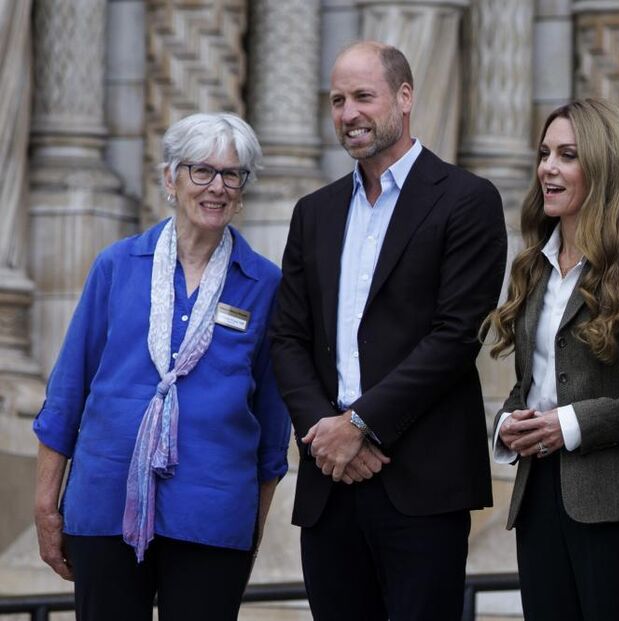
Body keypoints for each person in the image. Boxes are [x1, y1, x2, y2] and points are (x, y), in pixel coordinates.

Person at [270, 41, 507, 620]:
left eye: (362, 97)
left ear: (404, 98)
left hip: (421, 483)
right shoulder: (315, 211)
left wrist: (361, 424)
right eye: (337, 100)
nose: (348, 113)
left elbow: (456, 338)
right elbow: (287, 338)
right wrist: (326, 434)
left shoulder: (467, 200)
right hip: (330, 482)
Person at [32, 112, 290, 620]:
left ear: (243, 189)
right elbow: (67, 392)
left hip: (212, 516)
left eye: (232, 174)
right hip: (104, 507)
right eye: (202, 171)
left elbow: (272, 423)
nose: (217, 187)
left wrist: (252, 527)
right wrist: (46, 504)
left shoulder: (264, 284)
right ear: (170, 178)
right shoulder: (116, 266)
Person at [484, 98, 619, 620]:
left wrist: (569, 425)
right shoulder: (533, 266)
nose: (548, 167)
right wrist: (507, 425)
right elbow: (532, 385)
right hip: (537, 495)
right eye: (545, 153)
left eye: (567, 155)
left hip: (613, 504)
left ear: (603, 167)